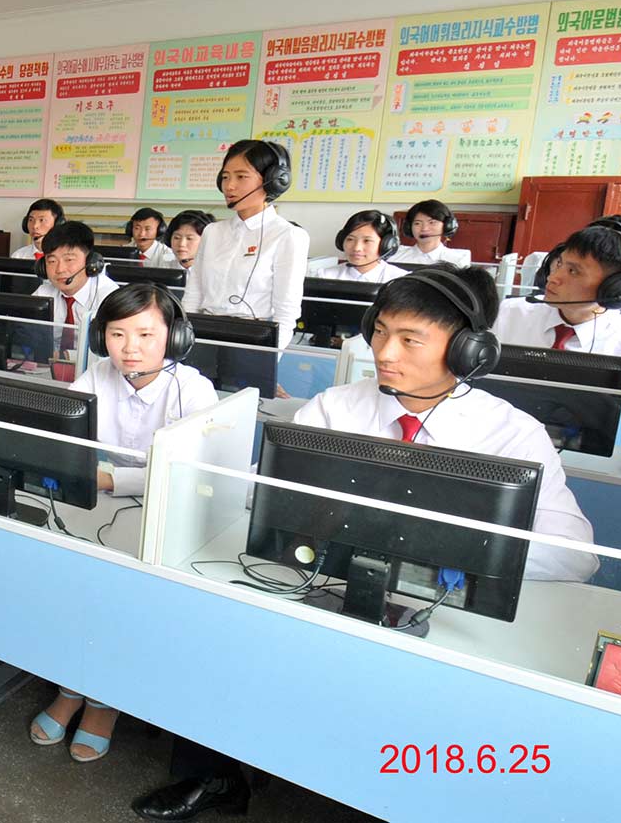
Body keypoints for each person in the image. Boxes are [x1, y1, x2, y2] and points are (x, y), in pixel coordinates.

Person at [131, 266, 597, 821]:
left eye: (409, 339)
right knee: (223, 623)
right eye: (379, 332)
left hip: (434, 611)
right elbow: (263, 492)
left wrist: (441, 545)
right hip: (323, 581)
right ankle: (211, 775)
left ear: (468, 351)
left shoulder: (511, 433)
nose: (383, 351)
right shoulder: (337, 407)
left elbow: (576, 554)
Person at [33, 285, 215, 763]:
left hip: (160, 518)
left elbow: (190, 472)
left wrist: (112, 477)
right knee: (72, 596)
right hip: (92, 507)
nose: (129, 346)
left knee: (118, 603)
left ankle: (104, 701)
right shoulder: (97, 375)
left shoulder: (194, 391)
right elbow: (61, 435)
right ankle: (71, 686)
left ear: (173, 338)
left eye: (145, 334)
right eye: (117, 333)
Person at [493, 217, 621, 452]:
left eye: (573, 271)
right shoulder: (509, 314)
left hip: (577, 459)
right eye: (559, 264)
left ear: (615, 290)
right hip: (499, 444)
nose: (554, 277)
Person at [180, 140, 310, 350]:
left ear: (272, 181)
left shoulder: (288, 236)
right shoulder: (213, 232)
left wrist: (268, 360)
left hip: (254, 339)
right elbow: (193, 295)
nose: (230, 186)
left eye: (241, 176)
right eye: (225, 177)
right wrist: (182, 344)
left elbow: (286, 312)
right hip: (202, 332)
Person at [35, 221, 118, 361]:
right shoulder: (43, 293)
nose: (60, 269)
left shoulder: (109, 297)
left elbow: (111, 350)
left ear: (90, 262)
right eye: (52, 261)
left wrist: (65, 356)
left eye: (69, 259)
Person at [312, 209, 404, 283]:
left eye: (367, 240)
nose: (357, 248)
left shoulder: (399, 281)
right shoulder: (324, 276)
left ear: (387, 245)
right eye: (350, 239)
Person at [390, 200, 471, 266]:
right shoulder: (394, 256)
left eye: (432, 222)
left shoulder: (456, 260)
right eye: (417, 223)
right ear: (408, 227)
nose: (424, 229)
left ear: (447, 226)